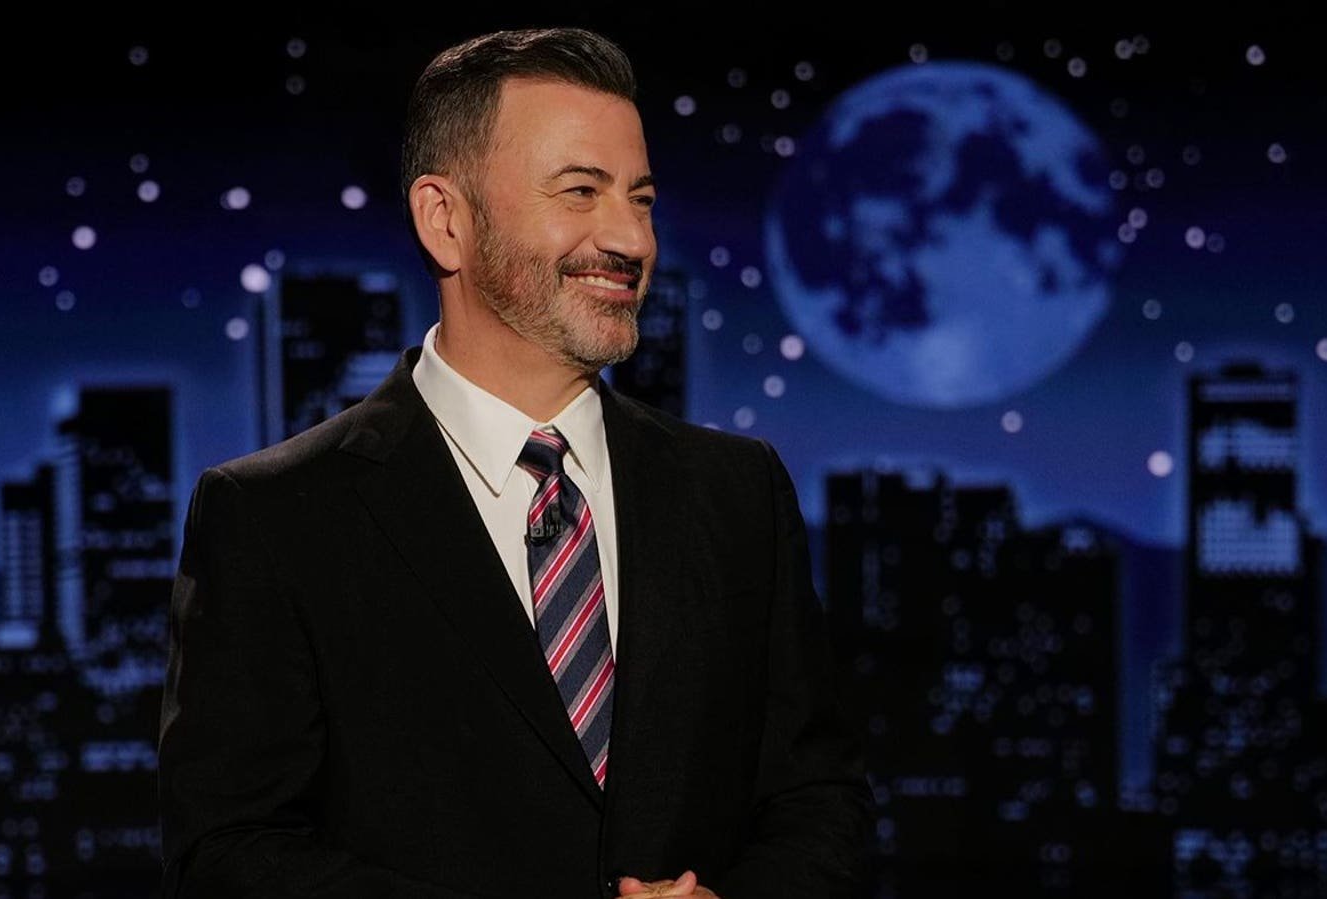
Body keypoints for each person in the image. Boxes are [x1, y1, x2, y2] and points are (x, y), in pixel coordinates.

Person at [157, 26, 873, 899]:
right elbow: (229, 851)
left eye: (642, 198)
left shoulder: (737, 494)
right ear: (446, 220)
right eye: (581, 191)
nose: (631, 239)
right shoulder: (275, 517)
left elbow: (818, 801)